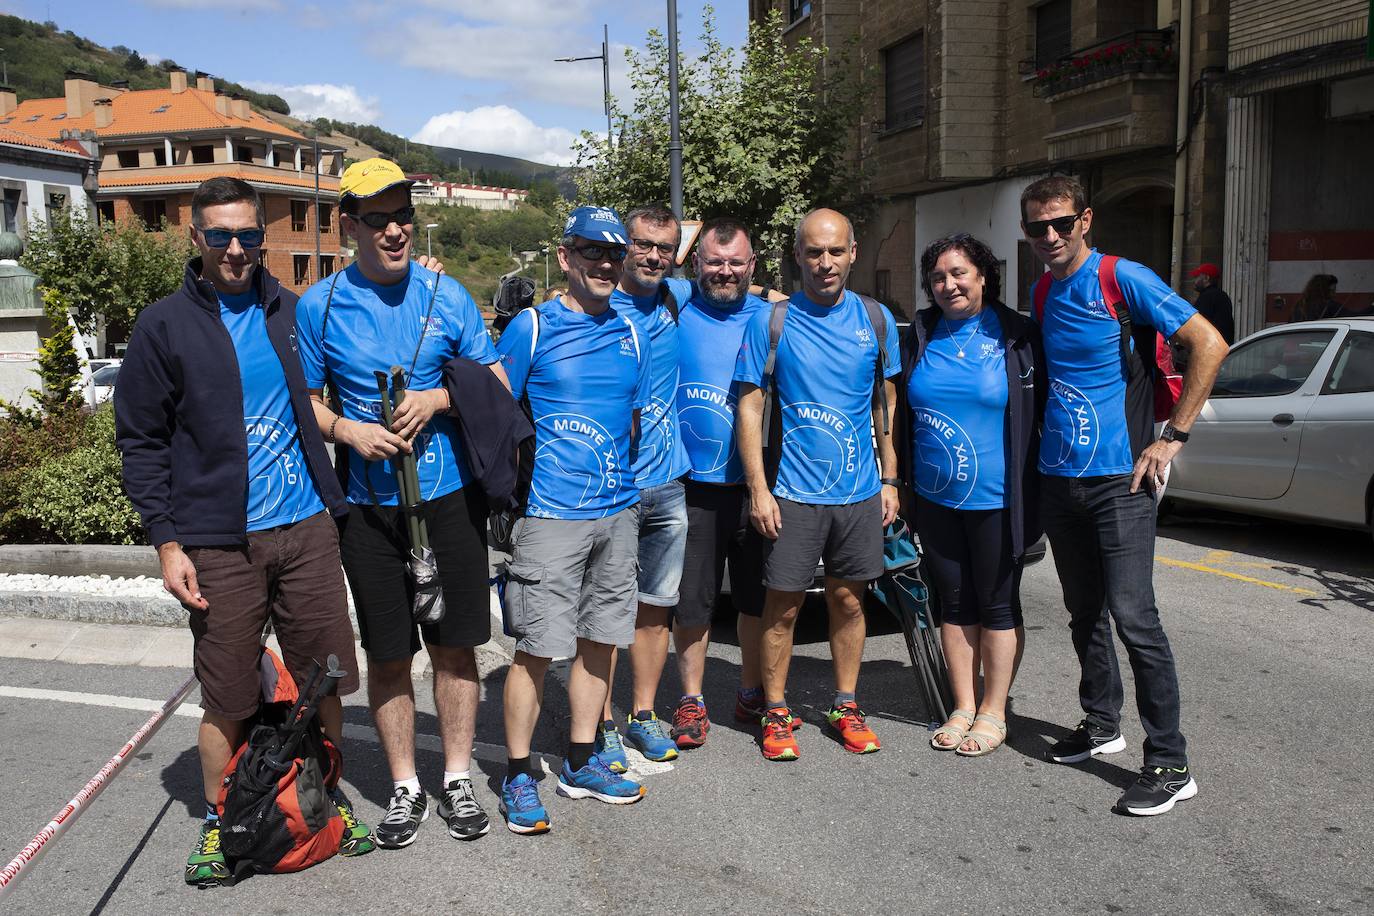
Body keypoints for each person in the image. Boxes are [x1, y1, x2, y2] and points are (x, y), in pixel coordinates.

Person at [113, 177, 374, 885]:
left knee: (324, 682)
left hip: (307, 530)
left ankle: (325, 804)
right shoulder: (164, 326)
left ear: (263, 238)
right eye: (221, 235)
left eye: (249, 235)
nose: (236, 249)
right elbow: (140, 441)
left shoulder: (289, 311)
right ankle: (218, 824)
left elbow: (321, 397)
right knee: (227, 697)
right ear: (195, 238)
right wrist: (167, 543)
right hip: (219, 542)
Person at [296, 158, 507, 847]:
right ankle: (403, 789)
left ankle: (455, 779)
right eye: (379, 219)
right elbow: (307, 403)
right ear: (350, 224)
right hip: (369, 509)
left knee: (454, 650)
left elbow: (496, 377)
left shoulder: (446, 294)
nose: (395, 231)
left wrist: (438, 398)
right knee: (389, 656)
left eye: (404, 217)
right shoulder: (319, 305)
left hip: (449, 500)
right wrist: (349, 430)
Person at [1020, 175, 1227, 816]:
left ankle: (1169, 762)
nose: (1049, 237)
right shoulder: (1044, 287)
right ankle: (1102, 725)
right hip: (1062, 480)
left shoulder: (1121, 277)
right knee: (1085, 615)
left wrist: (1173, 438)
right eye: (1037, 228)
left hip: (1121, 482)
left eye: (1060, 223)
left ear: (1085, 220)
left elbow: (1209, 343)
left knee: (1136, 619)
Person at [494, 206, 652, 834]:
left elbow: (631, 417)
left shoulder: (630, 330)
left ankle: (582, 759)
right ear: (566, 257)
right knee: (536, 649)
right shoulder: (531, 327)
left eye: (614, 254)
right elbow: (497, 414)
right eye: (591, 252)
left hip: (617, 512)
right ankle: (516, 775)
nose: (605, 263)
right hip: (550, 516)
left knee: (601, 638)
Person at [734, 207, 901, 761]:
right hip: (792, 493)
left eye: (835, 251)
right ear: (798, 256)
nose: (824, 263)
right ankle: (777, 711)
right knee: (781, 608)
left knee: (850, 603)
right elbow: (751, 404)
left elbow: (885, 402)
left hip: (858, 493)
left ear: (853, 254)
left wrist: (890, 477)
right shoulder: (771, 321)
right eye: (813, 252)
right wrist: (758, 488)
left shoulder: (875, 320)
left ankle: (845, 705)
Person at [895, 234, 1044, 757]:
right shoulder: (919, 334)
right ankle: (962, 705)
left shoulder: (1019, 334)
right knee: (953, 606)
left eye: (959, 273)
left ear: (984, 275)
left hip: (1000, 499)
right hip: (936, 499)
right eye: (937, 277)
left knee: (998, 605)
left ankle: (994, 711)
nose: (948, 284)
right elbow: (898, 412)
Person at [595, 205, 693, 768]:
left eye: (663, 246)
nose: (652, 255)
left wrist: (778, 297)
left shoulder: (676, 301)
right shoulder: (600, 306)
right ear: (623, 246)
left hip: (669, 485)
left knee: (657, 609)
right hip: (614, 489)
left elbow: (737, 289)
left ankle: (644, 713)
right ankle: (601, 720)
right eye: (642, 244)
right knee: (608, 611)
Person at [671, 216, 772, 748]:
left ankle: (752, 691)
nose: (725, 271)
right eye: (714, 261)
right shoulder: (674, 303)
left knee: (757, 599)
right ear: (696, 262)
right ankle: (691, 698)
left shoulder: (774, 314)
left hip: (761, 486)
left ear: (752, 266)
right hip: (694, 486)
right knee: (694, 601)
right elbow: (628, 274)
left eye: (736, 263)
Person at [1189, 263, 1234, 345]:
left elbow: (1199, 324)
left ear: (1206, 278)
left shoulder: (1207, 297)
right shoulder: (1222, 295)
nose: (1194, 281)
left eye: (1197, 277)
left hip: (1210, 346)